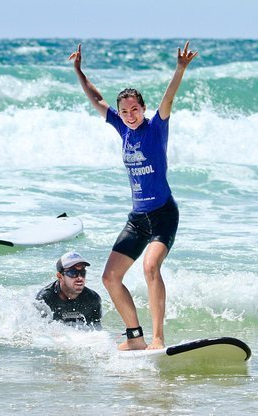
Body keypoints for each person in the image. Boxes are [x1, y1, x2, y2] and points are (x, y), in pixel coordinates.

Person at [69, 41, 198, 350]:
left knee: (150, 267)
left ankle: (158, 338)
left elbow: (168, 98)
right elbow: (97, 98)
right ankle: (135, 337)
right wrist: (78, 70)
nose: (129, 115)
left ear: (143, 108)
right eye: (124, 111)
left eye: (134, 110)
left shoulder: (156, 128)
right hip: (138, 218)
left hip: (163, 214)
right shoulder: (121, 127)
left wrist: (179, 69)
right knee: (110, 277)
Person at [35, 251, 102, 328]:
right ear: (60, 276)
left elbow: (97, 331)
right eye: (73, 272)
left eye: (82, 272)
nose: (80, 278)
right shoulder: (45, 299)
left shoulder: (93, 299)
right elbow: (40, 332)